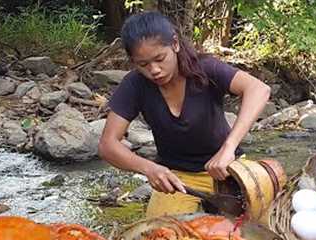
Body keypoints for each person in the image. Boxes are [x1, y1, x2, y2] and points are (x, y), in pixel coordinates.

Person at [99, 11, 271, 218]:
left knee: (256, 231)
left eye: (160, 59)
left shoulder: (206, 69)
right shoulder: (134, 85)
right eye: (143, 64)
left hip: (228, 169)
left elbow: (259, 89)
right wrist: (150, 169)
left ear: (175, 44)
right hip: (176, 177)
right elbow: (108, 144)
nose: (154, 70)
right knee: (159, 237)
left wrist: (229, 148)